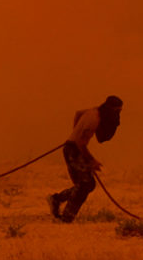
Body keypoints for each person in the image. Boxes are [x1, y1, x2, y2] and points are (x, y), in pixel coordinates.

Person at [49, 95, 123, 223]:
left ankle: (57, 200)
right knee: (85, 185)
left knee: (87, 184)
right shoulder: (94, 119)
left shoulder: (92, 111)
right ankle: (66, 216)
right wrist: (91, 160)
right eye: (117, 111)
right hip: (73, 150)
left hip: (73, 147)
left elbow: (78, 113)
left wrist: (75, 132)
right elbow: (81, 143)